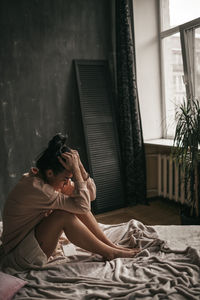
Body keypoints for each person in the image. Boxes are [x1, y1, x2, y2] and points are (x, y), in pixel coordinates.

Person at [1, 133, 140, 271]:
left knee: (75, 203)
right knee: (64, 215)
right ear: (50, 173)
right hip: (18, 255)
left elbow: (90, 196)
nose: (68, 182)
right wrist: (76, 173)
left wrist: (79, 167)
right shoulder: (39, 189)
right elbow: (84, 206)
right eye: (66, 179)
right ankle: (110, 252)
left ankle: (110, 246)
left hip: (30, 242)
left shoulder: (48, 179)